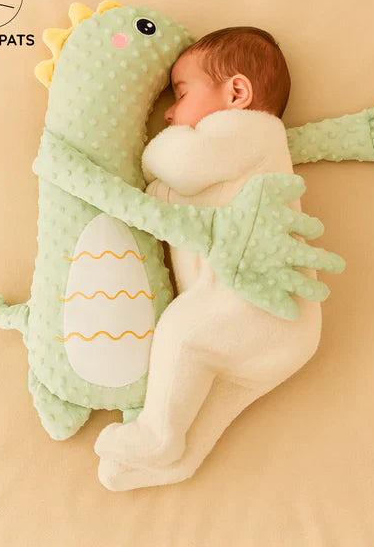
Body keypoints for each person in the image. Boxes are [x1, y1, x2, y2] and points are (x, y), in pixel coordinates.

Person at [94, 27, 325, 489]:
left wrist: (153, 153)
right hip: (278, 328)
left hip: (255, 303)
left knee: (183, 334)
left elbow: (182, 167)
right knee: (211, 394)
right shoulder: (237, 155)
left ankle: (156, 437)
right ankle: (174, 458)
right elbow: (190, 200)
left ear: (237, 93)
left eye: (181, 94)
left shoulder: (251, 129)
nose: (169, 112)